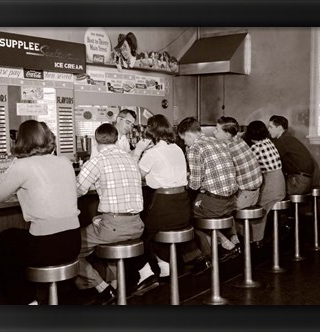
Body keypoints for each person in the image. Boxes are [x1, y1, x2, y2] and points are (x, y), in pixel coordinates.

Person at [0, 120, 81, 304]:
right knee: (16, 240)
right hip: (73, 243)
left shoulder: (22, 165)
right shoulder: (64, 161)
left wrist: (14, 163)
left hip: (46, 246)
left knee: (6, 240)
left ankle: (26, 300)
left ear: (20, 140)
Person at [75, 123, 145, 305]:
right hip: (137, 225)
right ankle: (115, 286)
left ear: (95, 141)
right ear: (116, 139)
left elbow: (77, 190)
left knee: (71, 246)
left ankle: (102, 287)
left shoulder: (97, 161)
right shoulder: (130, 159)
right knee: (102, 225)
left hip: (114, 227)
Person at [132, 114, 191, 294]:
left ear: (151, 131)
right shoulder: (177, 148)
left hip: (165, 205)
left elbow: (134, 175)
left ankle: (146, 274)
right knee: (154, 231)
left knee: (138, 235)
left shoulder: (151, 153)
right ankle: (166, 268)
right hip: (183, 206)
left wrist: (138, 151)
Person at [177, 117, 238, 270]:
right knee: (197, 207)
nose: (184, 143)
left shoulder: (194, 148)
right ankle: (224, 242)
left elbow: (195, 184)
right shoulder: (218, 142)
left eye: (184, 139)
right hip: (231, 201)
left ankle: (206, 258)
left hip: (215, 203)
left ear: (189, 135)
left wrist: (185, 178)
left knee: (184, 217)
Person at [214, 116, 263, 257]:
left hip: (245, 196)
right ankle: (235, 240)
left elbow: (222, 177)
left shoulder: (227, 148)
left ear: (228, 134)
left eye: (217, 130)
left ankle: (227, 244)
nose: (214, 133)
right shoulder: (239, 140)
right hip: (254, 193)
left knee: (215, 210)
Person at [242, 120, 286, 244]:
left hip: (271, 186)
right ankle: (261, 237)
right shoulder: (268, 142)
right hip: (280, 183)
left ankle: (255, 239)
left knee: (256, 207)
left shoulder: (256, 148)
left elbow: (248, 168)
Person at [268, 115, 315, 194]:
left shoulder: (283, 141)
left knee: (268, 191)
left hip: (298, 182)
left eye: (270, 127)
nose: (268, 130)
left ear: (279, 128)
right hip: (305, 180)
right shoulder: (288, 138)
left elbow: (272, 162)